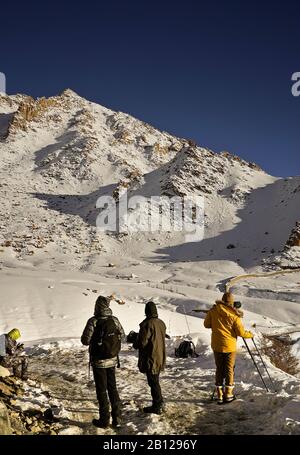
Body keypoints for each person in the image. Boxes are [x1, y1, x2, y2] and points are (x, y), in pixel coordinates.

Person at [81, 295, 125, 428]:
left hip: (99, 362)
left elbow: (85, 340)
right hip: (112, 359)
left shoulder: (93, 321)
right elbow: (122, 335)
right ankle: (117, 418)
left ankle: (104, 420)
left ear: (97, 306)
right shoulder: (114, 320)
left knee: (101, 390)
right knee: (112, 388)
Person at [204, 292, 254, 404]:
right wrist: (250, 334)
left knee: (219, 369)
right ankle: (228, 394)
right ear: (231, 303)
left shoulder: (213, 311)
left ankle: (220, 395)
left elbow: (206, 325)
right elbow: (241, 332)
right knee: (229, 369)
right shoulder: (234, 316)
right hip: (229, 346)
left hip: (217, 345)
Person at [133, 301, 166, 414]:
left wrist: (135, 342)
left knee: (153, 382)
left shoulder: (147, 324)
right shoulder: (161, 323)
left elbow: (142, 342)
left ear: (146, 311)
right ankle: (159, 402)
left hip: (151, 356)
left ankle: (158, 405)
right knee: (155, 380)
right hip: (160, 355)